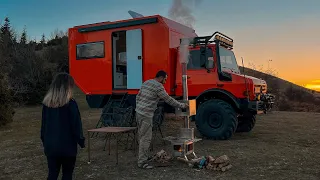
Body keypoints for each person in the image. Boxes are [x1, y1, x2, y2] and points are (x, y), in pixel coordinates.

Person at [135, 70, 188, 169]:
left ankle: (143, 157)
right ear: (161, 77)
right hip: (146, 114)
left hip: (138, 112)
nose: (165, 81)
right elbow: (168, 99)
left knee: (142, 136)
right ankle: (142, 162)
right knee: (146, 138)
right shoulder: (158, 86)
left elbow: (138, 97)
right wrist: (182, 105)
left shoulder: (146, 82)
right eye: (165, 79)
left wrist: (139, 107)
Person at [41, 72, 85, 180]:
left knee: (52, 173)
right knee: (67, 174)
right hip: (67, 146)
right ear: (68, 87)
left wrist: (45, 140)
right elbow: (76, 125)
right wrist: (81, 141)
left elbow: (44, 126)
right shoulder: (71, 104)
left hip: (50, 145)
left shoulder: (47, 104)